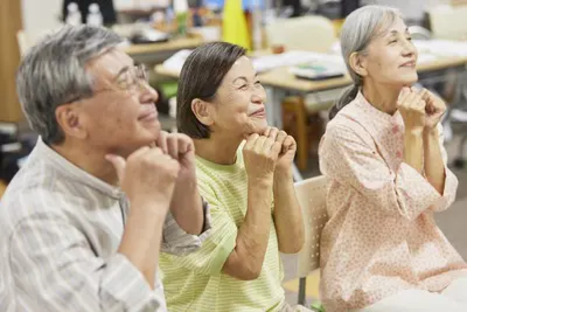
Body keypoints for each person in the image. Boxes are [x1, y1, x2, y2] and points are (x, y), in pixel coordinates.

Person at [0, 25, 210, 312]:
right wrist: (148, 203)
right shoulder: (35, 214)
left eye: (140, 77)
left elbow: (182, 239)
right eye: (127, 83)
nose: (150, 93)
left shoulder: (117, 155)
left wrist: (183, 184)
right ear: (73, 121)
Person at [318, 5, 467, 312]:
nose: (409, 50)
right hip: (367, 275)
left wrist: (427, 132)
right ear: (360, 63)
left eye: (409, 39)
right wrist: (414, 132)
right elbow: (404, 204)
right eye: (393, 41)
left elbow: (441, 200)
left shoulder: (412, 112)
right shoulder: (344, 131)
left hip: (428, 261)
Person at [159, 42, 305, 311]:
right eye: (242, 86)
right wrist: (260, 180)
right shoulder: (182, 181)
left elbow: (293, 243)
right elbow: (246, 266)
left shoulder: (247, 154)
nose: (259, 95)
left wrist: (282, 172)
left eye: (257, 82)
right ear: (203, 111)